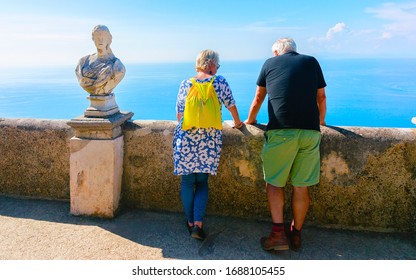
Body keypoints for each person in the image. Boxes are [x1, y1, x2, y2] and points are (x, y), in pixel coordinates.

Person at [245, 37, 327, 251]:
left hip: (281, 130)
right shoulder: (311, 62)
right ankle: (296, 235)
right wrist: (320, 122)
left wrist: (250, 121)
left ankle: (278, 235)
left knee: (274, 183)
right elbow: (322, 97)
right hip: (310, 132)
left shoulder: (269, 64)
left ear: (276, 52)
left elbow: (258, 97)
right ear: (294, 51)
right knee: (301, 186)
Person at [173, 49, 243, 240]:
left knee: (187, 182)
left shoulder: (186, 83)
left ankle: (189, 222)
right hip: (209, 141)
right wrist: (238, 123)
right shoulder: (219, 82)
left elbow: (180, 115)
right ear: (211, 64)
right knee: (202, 182)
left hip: (186, 139)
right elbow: (231, 106)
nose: (217, 68)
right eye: (217, 65)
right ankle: (198, 224)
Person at [75, 25, 125, 95]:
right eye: (97, 37)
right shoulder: (83, 62)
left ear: (108, 39)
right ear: (93, 39)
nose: (100, 40)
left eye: (103, 37)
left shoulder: (117, 67)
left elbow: (118, 74)